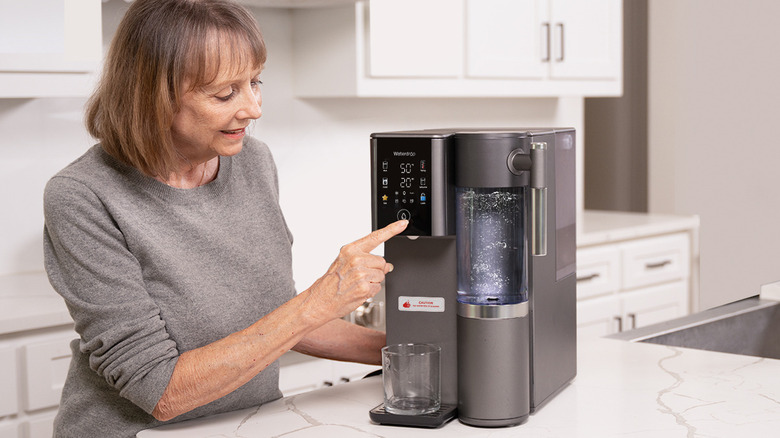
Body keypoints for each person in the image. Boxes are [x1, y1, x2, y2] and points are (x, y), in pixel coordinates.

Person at [42, 0, 407, 436]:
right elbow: (159, 391)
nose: (253, 108)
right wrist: (315, 302)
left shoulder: (252, 160)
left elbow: (270, 318)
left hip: (243, 425)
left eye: (255, 82)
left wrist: (405, 351)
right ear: (152, 93)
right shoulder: (83, 196)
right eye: (225, 93)